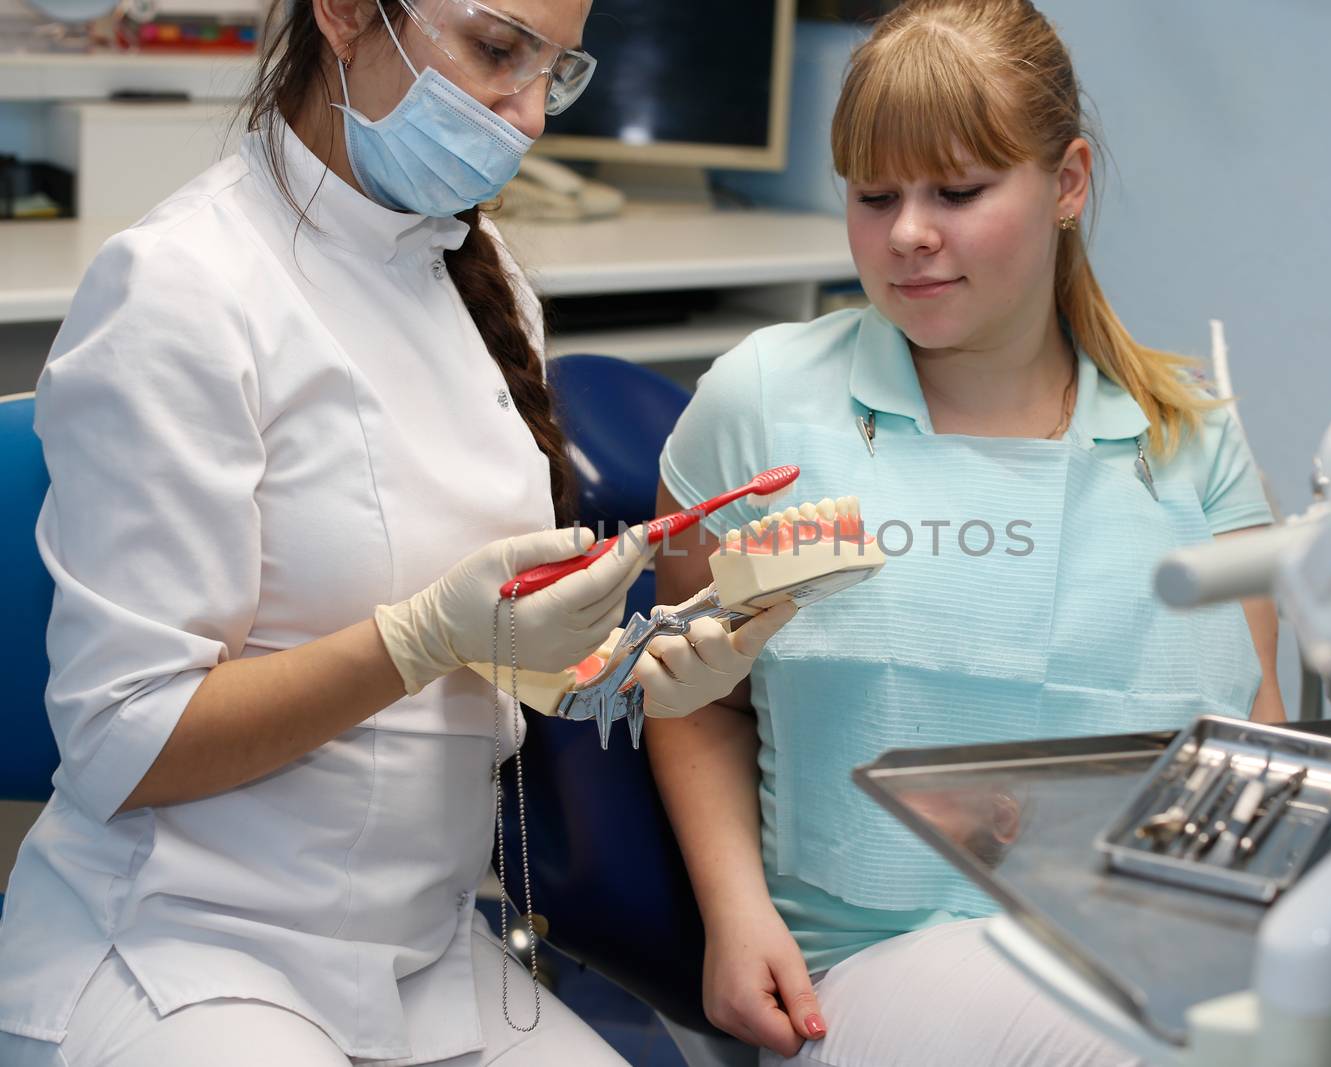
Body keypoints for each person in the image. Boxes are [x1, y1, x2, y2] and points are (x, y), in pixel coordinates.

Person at [645, 2, 1331, 1065]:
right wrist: (736, 915)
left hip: (1170, 939)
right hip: (886, 961)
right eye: (875, 197)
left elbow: (1258, 750)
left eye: (957, 191)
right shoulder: (764, 408)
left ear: (1066, 182)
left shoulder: (1190, 436)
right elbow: (693, 699)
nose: (908, 234)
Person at [0, 0, 790, 1063]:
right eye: (498, 50)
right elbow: (122, 739)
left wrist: (624, 675)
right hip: (185, 950)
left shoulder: (482, 272)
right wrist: (414, 640)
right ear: (343, 14)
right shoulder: (182, 289)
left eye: (555, 73)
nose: (527, 118)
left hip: (419, 954)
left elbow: (484, 670)